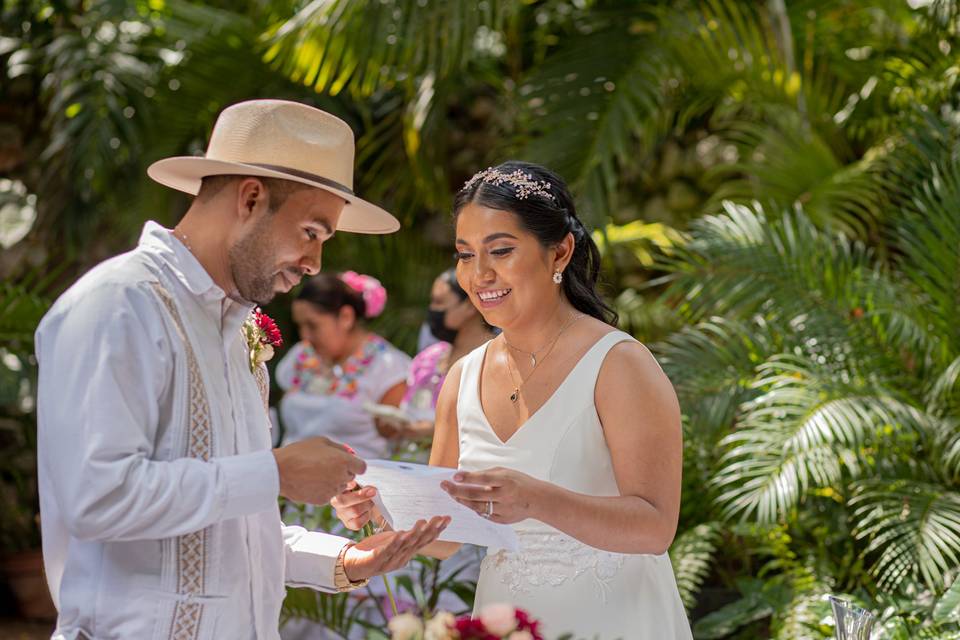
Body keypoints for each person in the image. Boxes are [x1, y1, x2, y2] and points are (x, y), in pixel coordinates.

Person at [34, 99, 448, 640]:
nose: (315, 263)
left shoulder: (239, 334)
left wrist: (346, 560)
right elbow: (98, 499)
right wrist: (277, 472)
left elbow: (233, 535)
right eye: (311, 232)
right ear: (251, 198)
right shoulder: (118, 304)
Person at [332, 161, 692, 639]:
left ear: (560, 252)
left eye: (500, 250)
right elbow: (447, 532)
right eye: (464, 255)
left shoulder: (618, 363)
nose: (480, 274)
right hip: (506, 617)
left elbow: (654, 527)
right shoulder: (462, 377)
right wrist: (378, 505)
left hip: (616, 619)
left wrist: (538, 500)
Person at [274, 271, 411, 459]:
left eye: (313, 325)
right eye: (300, 326)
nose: (305, 335)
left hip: (359, 480)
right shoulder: (300, 355)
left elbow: (397, 435)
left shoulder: (388, 367)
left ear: (346, 317)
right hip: (289, 476)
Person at [393, 268, 496, 438]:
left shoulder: (498, 357)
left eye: (439, 302)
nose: (433, 310)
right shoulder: (431, 357)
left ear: (470, 305)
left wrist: (435, 431)